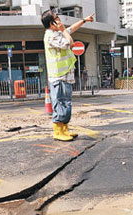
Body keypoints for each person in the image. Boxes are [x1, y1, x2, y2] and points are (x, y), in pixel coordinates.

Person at [41, 10, 94, 141]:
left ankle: (64, 129)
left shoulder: (57, 33)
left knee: (66, 103)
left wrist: (84, 20)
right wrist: (63, 30)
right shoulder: (51, 36)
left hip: (65, 75)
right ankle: (58, 131)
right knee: (60, 103)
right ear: (51, 23)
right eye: (56, 18)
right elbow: (70, 43)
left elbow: (71, 30)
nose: (59, 20)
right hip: (58, 76)